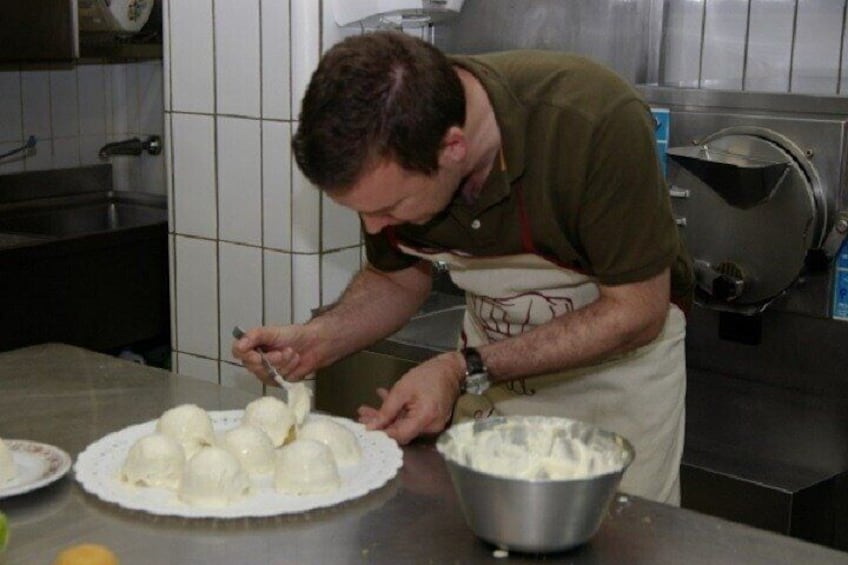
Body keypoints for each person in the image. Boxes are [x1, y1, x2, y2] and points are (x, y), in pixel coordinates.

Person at [232, 31, 694, 504]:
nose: (374, 224)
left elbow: (636, 312)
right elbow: (397, 277)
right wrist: (319, 341)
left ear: (454, 149)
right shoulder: (393, 136)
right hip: (491, 387)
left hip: (616, 390)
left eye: (390, 207)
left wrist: (463, 368)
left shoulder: (590, 123)